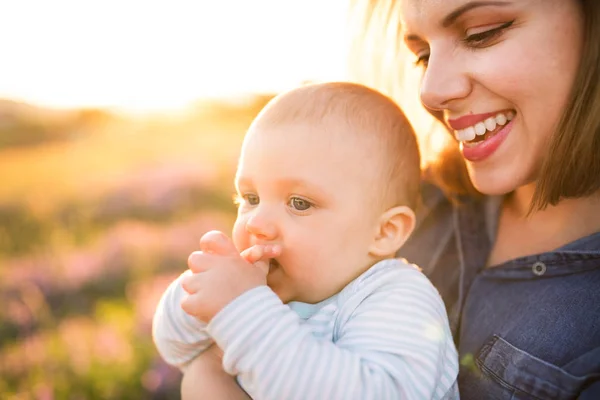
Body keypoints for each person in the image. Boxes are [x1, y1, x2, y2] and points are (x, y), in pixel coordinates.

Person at [180, 0, 600, 399]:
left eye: (481, 33)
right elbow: (182, 335)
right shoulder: (413, 200)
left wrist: (226, 344)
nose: (431, 91)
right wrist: (212, 291)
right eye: (423, 56)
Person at [152, 82, 460, 399]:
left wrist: (242, 311)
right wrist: (210, 290)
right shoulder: (262, 292)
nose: (256, 223)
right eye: (251, 198)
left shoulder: (396, 297)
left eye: (299, 203)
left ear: (384, 232)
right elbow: (173, 344)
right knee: (201, 369)